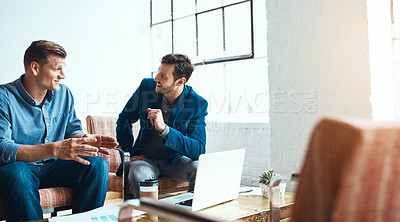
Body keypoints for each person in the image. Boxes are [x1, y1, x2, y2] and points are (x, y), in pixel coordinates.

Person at [0, 40, 119, 222]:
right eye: (57, 69)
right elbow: (2, 147)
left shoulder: (64, 94)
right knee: (16, 171)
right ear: (35, 68)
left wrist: (83, 140)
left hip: (54, 167)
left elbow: (73, 129)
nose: (63, 75)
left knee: (97, 164)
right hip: (22, 168)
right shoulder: (4, 97)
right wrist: (53, 149)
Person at [116, 54, 208, 198]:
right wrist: (130, 153)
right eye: (158, 72)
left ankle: (188, 214)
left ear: (180, 81)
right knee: (138, 174)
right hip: (146, 159)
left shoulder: (197, 103)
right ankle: (148, 218)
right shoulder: (146, 87)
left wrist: (165, 130)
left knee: (201, 169)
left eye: (163, 76)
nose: (156, 78)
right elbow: (124, 119)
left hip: (176, 160)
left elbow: (199, 149)